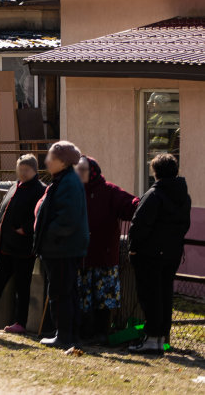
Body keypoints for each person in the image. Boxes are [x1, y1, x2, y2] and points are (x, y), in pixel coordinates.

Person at [0, 154, 45, 334]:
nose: (22, 173)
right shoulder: (15, 186)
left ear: (34, 170)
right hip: (5, 247)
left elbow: (40, 215)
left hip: (23, 249)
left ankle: (21, 322)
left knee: (22, 287)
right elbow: (3, 210)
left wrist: (26, 229)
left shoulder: (40, 190)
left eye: (26, 170)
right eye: (20, 170)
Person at [128, 153, 191, 354]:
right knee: (164, 295)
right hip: (172, 253)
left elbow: (139, 225)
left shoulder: (154, 195)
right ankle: (161, 337)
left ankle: (152, 338)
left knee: (150, 295)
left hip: (149, 254)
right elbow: (184, 225)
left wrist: (134, 247)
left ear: (155, 172)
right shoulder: (183, 196)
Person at [75, 156, 138, 345]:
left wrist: (148, 205)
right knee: (82, 297)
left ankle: (102, 334)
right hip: (80, 256)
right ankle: (84, 333)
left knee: (104, 299)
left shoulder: (109, 191)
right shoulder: (73, 192)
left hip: (104, 255)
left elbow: (133, 205)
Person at [33, 141, 88, 349]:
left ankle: (64, 336)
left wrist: (47, 236)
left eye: (50, 157)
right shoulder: (65, 180)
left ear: (62, 162)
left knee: (60, 293)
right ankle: (69, 335)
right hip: (62, 247)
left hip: (62, 248)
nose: (46, 161)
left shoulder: (68, 182)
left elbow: (67, 218)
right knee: (66, 292)